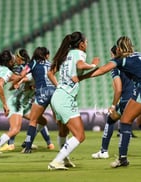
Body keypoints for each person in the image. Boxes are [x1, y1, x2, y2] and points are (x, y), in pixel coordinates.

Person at [81, 36, 141, 168]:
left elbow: (102, 70)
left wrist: (81, 77)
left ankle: (122, 158)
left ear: (118, 48)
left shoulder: (120, 60)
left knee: (125, 121)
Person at [91, 45, 141, 159]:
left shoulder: (116, 65)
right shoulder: (135, 61)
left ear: (114, 54)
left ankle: (104, 151)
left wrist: (113, 105)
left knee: (111, 119)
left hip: (127, 99)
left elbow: (118, 89)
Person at [47, 31, 99, 170]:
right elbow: (81, 65)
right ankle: (56, 161)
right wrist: (93, 65)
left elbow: (50, 72)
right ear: (81, 44)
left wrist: (59, 86)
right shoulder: (78, 53)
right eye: (86, 42)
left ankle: (63, 159)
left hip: (59, 95)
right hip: (65, 98)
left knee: (63, 132)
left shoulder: (65, 55)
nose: (87, 45)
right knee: (80, 135)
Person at [11, 47, 56, 154]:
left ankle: (27, 147)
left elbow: (22, 74)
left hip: (42, 92)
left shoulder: (32, 63)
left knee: (33, 120)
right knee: (59, 120)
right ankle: (64, 144)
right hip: (54, 91)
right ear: (46, 55)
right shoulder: (50, 64)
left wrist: (17, 82)